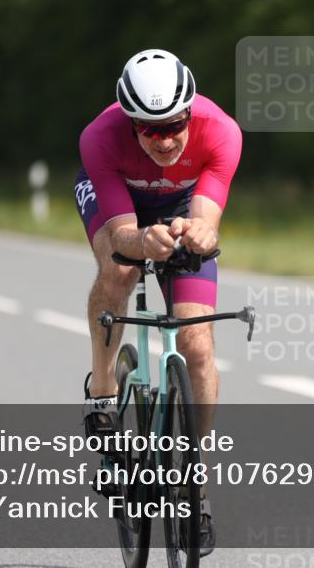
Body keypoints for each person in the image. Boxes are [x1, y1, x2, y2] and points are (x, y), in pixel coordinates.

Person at [75, 49, 242, 554]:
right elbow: (121, 234)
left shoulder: (222, 132)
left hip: (182, 204)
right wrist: (141, 240)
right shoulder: (100, 137)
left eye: (174, 125)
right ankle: (103, 392)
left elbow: (207, 221)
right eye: (150, 130)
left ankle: (196, 486)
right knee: (120, 269)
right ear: (130, 122)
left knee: (198, 345)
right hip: (118, 203)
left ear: (190, 112)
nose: (165, 140)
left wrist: (200, 234)